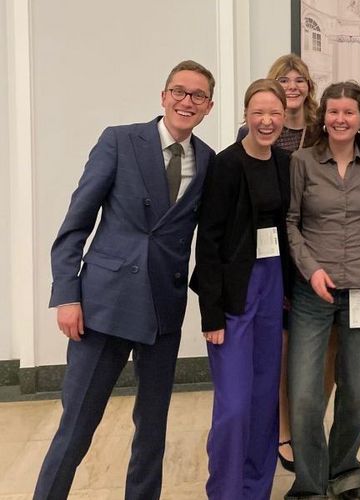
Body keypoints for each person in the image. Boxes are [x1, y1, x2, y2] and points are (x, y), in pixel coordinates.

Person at [34, 60, 216, 500]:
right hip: (104, 305)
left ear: (209, 106)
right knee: (76, 424)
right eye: (178, 91)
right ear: (163, 95)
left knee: (152, 429)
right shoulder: (119, 140)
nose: (185, 101)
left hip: (163, 308)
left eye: (197, 96)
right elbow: (75, 224)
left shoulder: (208, 160)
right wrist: (67, 295)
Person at [285, 81, 360, 500]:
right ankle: (310, 485)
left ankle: (345, 473)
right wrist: (311, 269)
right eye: (334, 112)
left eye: (349, 112)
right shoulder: (302, 162)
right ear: (323, 116)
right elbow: (290, 223)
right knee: (305, 396)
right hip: (312, 294)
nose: (340, 119)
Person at [190, 79, 291, 500]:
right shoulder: (226, 164)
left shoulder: (286, 163)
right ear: (246, 116)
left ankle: (256, 489)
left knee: (266, 397)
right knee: (234, 406)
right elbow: (208, 241)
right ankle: (226, 491)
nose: (266, 121)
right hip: (234, 289)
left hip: (273, 285)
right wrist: (210, 313)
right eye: (258, 113)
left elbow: (289, 230)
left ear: (284, 118)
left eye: (274, 113)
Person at [238, 54, 323, 472]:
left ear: (309, 86)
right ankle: (281, 428)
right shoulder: (252, 133)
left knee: (309, 349)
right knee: (279, 346)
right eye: (283, 80)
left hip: (315, 249)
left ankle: (304, 425)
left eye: (300, 79)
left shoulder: (321, 130)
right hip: (269, 255)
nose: (293, 86)